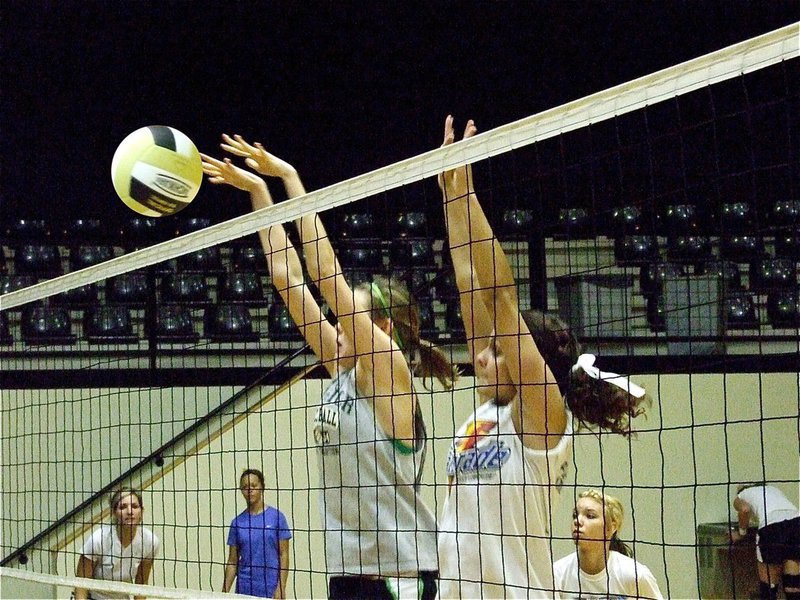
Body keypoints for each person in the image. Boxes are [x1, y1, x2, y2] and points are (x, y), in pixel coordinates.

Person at [201, 136, 457, 600]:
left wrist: (291, 178)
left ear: (378, 327)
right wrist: (259, 192)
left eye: (347, 320)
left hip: (397, 573)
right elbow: (287, 278)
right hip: (347, 569)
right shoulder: (343, 368)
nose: (335, 327)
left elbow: (325, 276)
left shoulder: (389, 370)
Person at [435, 115, 651, 599]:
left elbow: (498, 294)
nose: (482, 357)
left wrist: (467, 188)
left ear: (525, 359)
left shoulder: (540, 417)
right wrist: (449, 187)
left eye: (497, 349)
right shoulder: (487, 411)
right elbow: (468, 277)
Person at [553, 489, 663, 598]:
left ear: (610, 528)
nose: (577, 520)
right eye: (575, 515)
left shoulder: (635, 575)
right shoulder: (558, 574)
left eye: (590, 516)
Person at [74, 488, 160, 600]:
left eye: (134, 506)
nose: (129, 511)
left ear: (141, 512)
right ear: (114, 513)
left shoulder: (150, 541)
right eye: (122, 507)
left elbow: (141, 583)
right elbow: (81, 583)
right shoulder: (99, 539)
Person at [222, 468, 292, 598]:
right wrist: (223, 594)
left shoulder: (277, 518)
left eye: (254, 485)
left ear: (262, 487)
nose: (250, 490)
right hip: (245, 589)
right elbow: (232, 562)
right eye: (245, 487)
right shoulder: (237, 523)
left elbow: (284, 555)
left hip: (270, 588)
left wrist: (281, 587)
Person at [730, 483, 800, 600]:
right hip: (797, 523)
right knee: (793, 586)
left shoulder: (742, 495)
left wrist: (741, 534)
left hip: (772, 527)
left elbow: (744, 509)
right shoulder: (772, 489)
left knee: (769, 588)